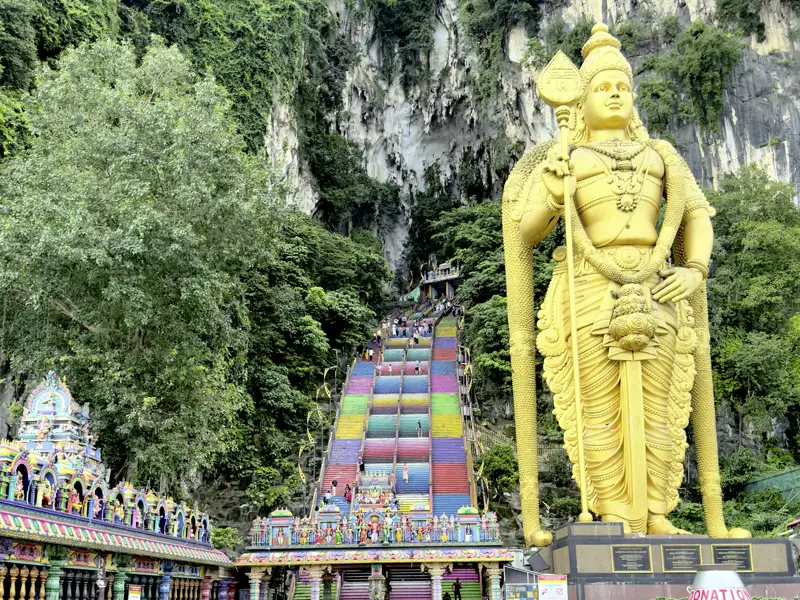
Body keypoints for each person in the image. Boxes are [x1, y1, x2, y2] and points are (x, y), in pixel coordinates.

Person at [505, 22, 748, 539]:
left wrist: (694, 269)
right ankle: (614, 510)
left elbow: (696, 215)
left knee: (662, 405)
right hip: (589, 286)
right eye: (603, 87)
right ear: (582, 100)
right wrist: (553, 190)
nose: (615, 94)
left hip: (659, 284)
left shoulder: (661, 155)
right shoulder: (569, 156)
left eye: (623, 86)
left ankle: (656, 512)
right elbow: (525, 231)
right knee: (597, 405)